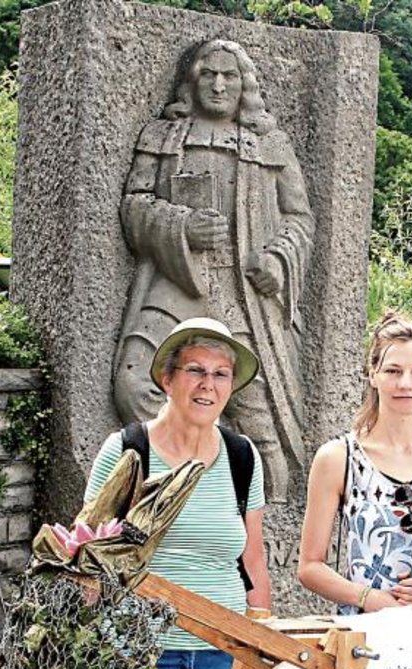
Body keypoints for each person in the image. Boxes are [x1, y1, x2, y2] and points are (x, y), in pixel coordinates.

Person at [61, 317, 271, 669]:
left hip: (220, 660)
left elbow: (253, 565)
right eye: (197, 371)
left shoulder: (240, 454)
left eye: (221, 374)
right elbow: (87, 557)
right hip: (142, 658)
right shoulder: (128, 449)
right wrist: (93, 647)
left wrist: (260, 658)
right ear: (169, 378)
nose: (209, 385)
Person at [116, 37, 314, 499]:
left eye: (229, 76)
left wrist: (277, 258)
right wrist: (182, 227)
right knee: (133, 380)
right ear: (192, 81)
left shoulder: (272, 144)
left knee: (260, 418)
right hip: (177, 284)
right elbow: (134, 206)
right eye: (208, 74)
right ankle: (177, 488)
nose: (219, 85)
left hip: (241, 295)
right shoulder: (162, 136)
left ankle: (264, 519)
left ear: (245, 85)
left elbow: (300, 218)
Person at [298, 311, 412, 612]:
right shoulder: (337, 457)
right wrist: (369, 598)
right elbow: (309, 566)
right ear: (373, 374)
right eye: (393, 371)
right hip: (362, 635)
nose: (405, 384)